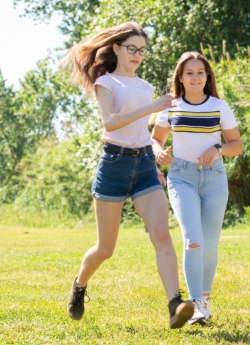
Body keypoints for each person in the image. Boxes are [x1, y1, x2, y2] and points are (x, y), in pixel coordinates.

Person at [63, 21, 194, 329]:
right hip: (114, 166)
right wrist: (151, 106)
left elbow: (141, 128)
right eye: (132, 49)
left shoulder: (145, 86)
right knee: (105, 249)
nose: (138, 55)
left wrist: (158, 141)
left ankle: (176, 303)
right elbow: (110, 123)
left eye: (142, 50)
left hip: (145, 166)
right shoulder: (106, 83)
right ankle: (80, 284)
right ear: (116, 49)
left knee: (162, 234)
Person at [151, 52, 242, 325]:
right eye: (189, 72)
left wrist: (217, 149)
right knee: (193, 240)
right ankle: (197, 305)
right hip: (182, 177)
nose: (195, 77)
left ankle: (205, 298)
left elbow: (236, 145)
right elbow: (155, 140)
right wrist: (158, 154)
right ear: (180, 77)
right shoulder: (171, 106)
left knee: (210, 245)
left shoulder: (219, 106)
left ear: (207, 76)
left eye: (200, 72)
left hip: (214, 178)